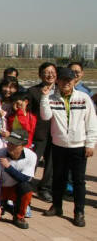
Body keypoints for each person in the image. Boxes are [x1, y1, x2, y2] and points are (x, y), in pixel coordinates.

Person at [40, 67, 97, 227]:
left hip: (79, 146)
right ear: (57, 81)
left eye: (69, 80)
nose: (66, 83)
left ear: (74, 81)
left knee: (79, 181)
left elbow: (91, 122)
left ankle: (79, 212)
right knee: (59, 178)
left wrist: (90, 143)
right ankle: (57, 206)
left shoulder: (84, 98)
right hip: (59, 145)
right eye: (63, 79)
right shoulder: (51, 98)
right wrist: (44, 97)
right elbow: (46, 116)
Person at [28, 62, 57, 202]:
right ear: (40, 75)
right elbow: (29, 113)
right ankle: (26, 185)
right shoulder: (33, 91)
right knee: (32, 160)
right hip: (38, 133)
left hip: (57, 133)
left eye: (52, 71)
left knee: (51, 163)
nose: (50, 74)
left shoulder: (61, 91)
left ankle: (44, 188)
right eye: (46, 72)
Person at [0, 129, 36, 229]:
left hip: (15, 189)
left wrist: (8, 167)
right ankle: (2, 205)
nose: (10, 146)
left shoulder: (31, 156)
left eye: (14, 144)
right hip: (1, 189)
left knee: (26, 187)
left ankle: (19, 217)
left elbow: (25, 178)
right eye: (9, 142)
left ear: (23, 145)